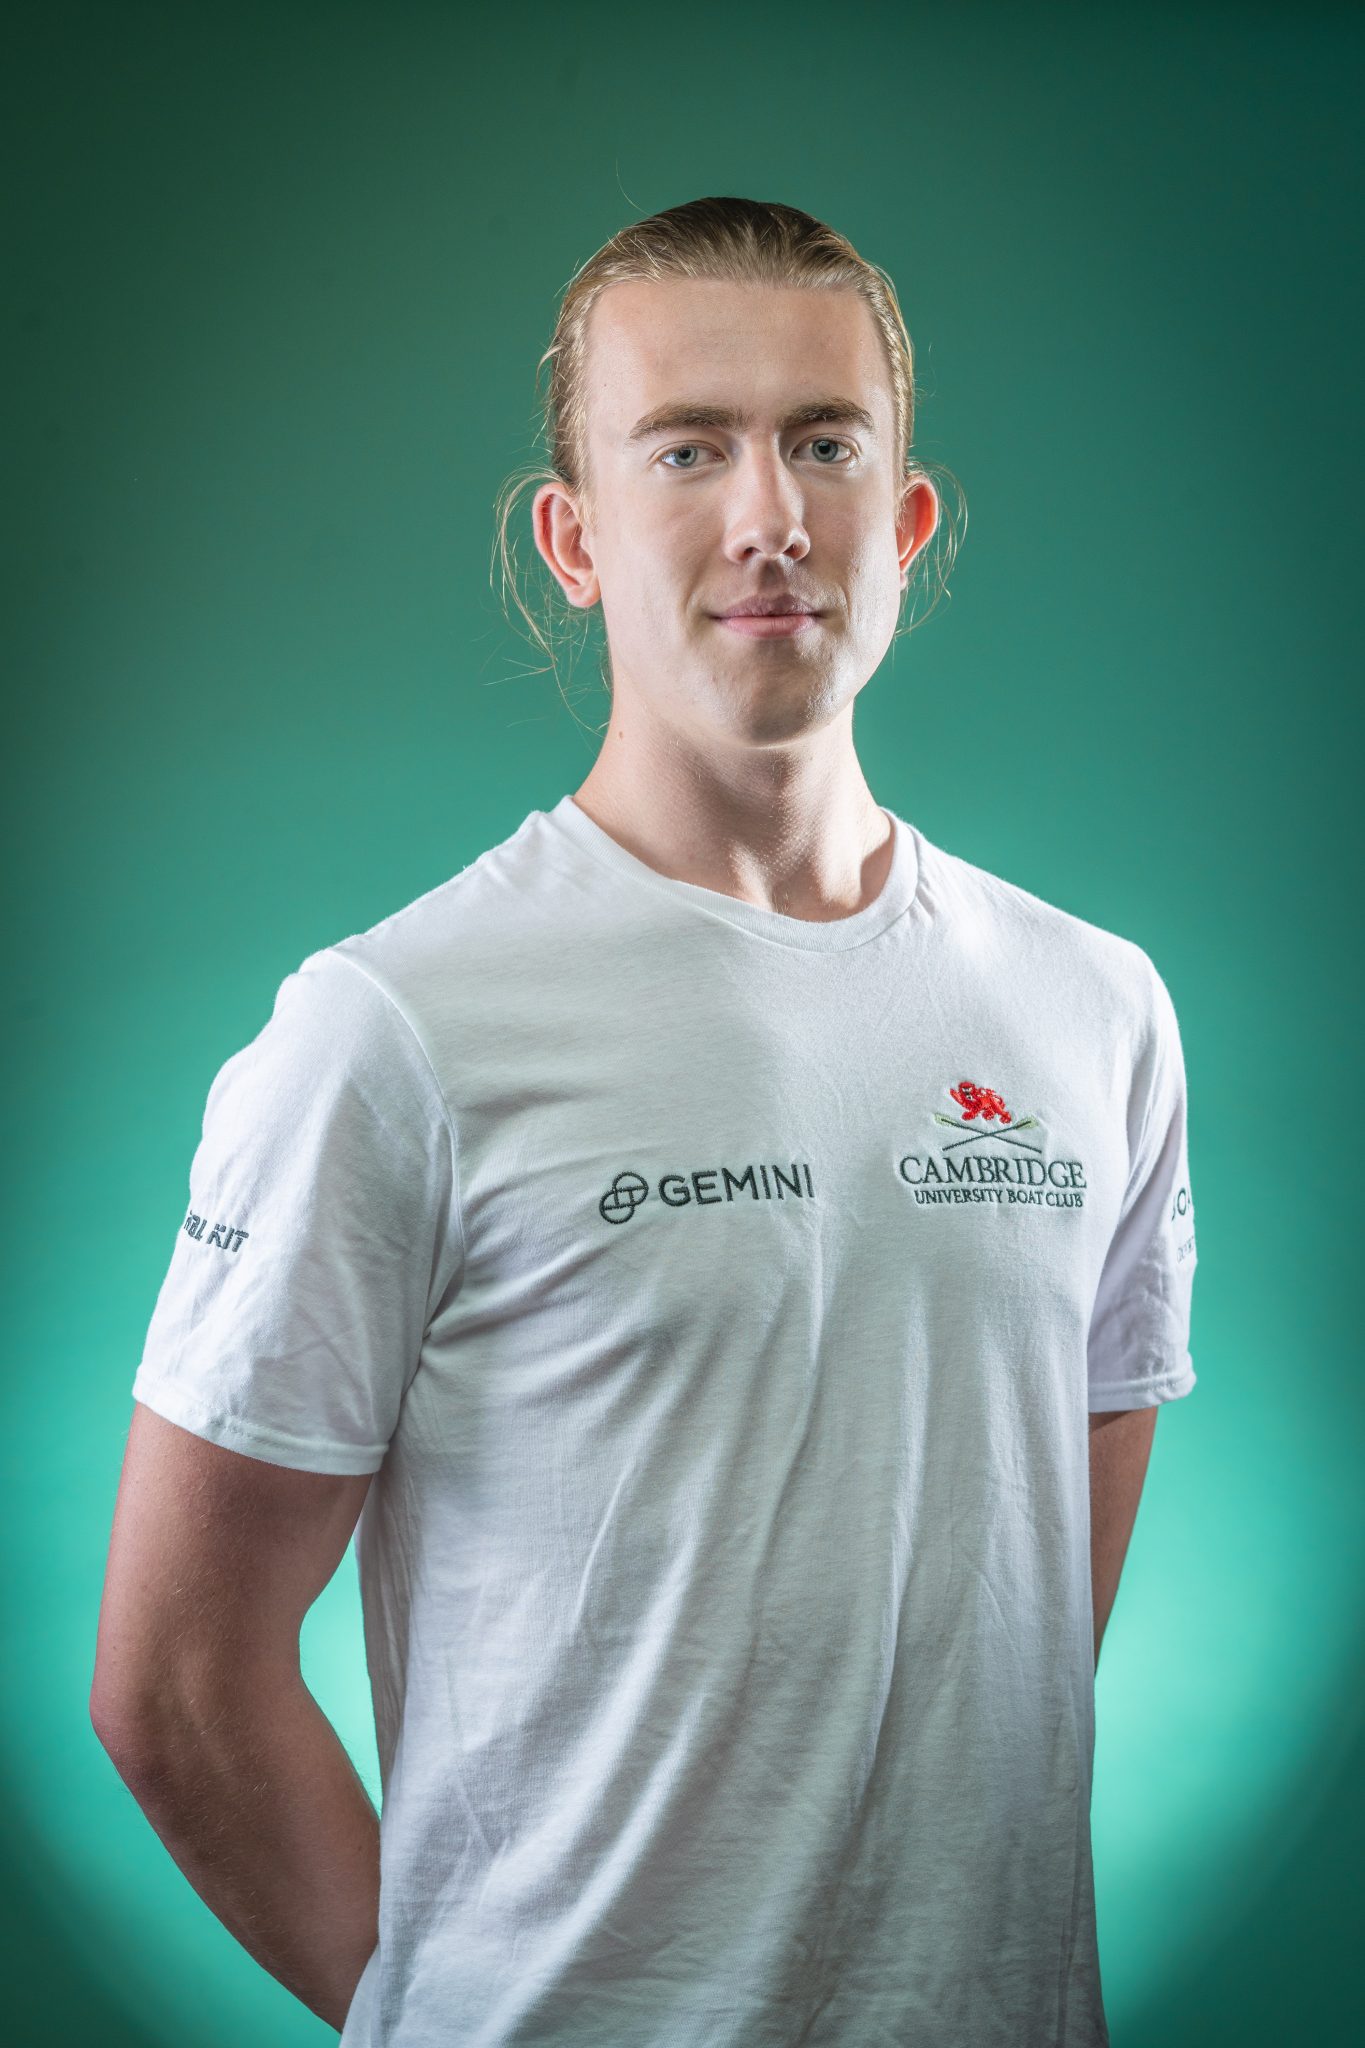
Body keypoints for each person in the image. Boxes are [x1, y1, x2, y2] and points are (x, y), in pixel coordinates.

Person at [90, 197, 1199, 2047]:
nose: (770, 516)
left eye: (825, 444)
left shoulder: (1095, 1012)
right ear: (576, 539)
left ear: (905, 520)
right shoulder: (393, 1030)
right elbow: (174, 1685)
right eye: (685, 449)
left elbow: (1020, 1632)